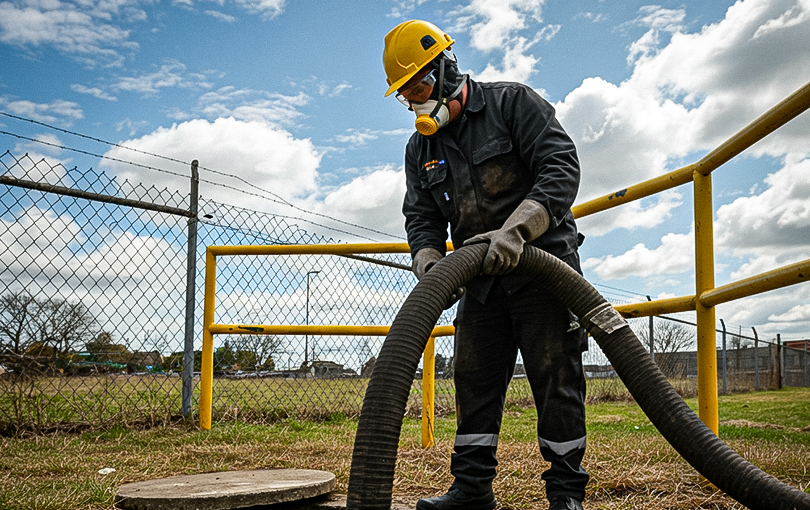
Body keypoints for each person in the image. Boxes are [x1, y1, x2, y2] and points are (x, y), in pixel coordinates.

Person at [383, 20, 590, 510]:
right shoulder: (421, 149)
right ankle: (472, 491)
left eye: (420, 86)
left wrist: (516, 230)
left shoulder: (512, 103)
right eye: (405, 94)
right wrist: (430, 258)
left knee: (555, 381)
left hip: (544, 271)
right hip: (480, 284)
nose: (416, 101)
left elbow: (561, 168)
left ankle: (565, 495)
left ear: (447, 69)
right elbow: (422, 215)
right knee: (474, 382)